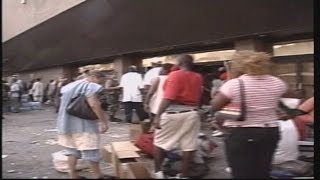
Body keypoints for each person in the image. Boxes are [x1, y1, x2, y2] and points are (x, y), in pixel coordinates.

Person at [211, 51, 287, 179]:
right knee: (263, 170)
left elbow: (215, 105)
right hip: (270, 131)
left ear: (241, 66)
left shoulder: (235, 84)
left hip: (241, 133)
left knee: (241, 172)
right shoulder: (277, 82)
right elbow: (289, 98)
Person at [152, 55, 203, 179]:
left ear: (179, 62)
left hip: (173, 113)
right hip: (192, 113)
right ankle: (184, 175)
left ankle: (158, 173)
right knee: (189, 146)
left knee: (159, 143)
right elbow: (200, 96)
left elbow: (169, 97)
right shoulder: (198, 77)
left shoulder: (175, 75)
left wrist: (158, 115)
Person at [57, 71, 108, 179]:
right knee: (91, 149)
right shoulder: (89, 86)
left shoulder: (71, 85)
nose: (101, 85)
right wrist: (103, 121)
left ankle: (73, 174)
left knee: (72, 150)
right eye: (101, 81)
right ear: (94, 77)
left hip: (66, 123)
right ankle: (97, 175)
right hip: (83, 125)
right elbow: (94, 104)